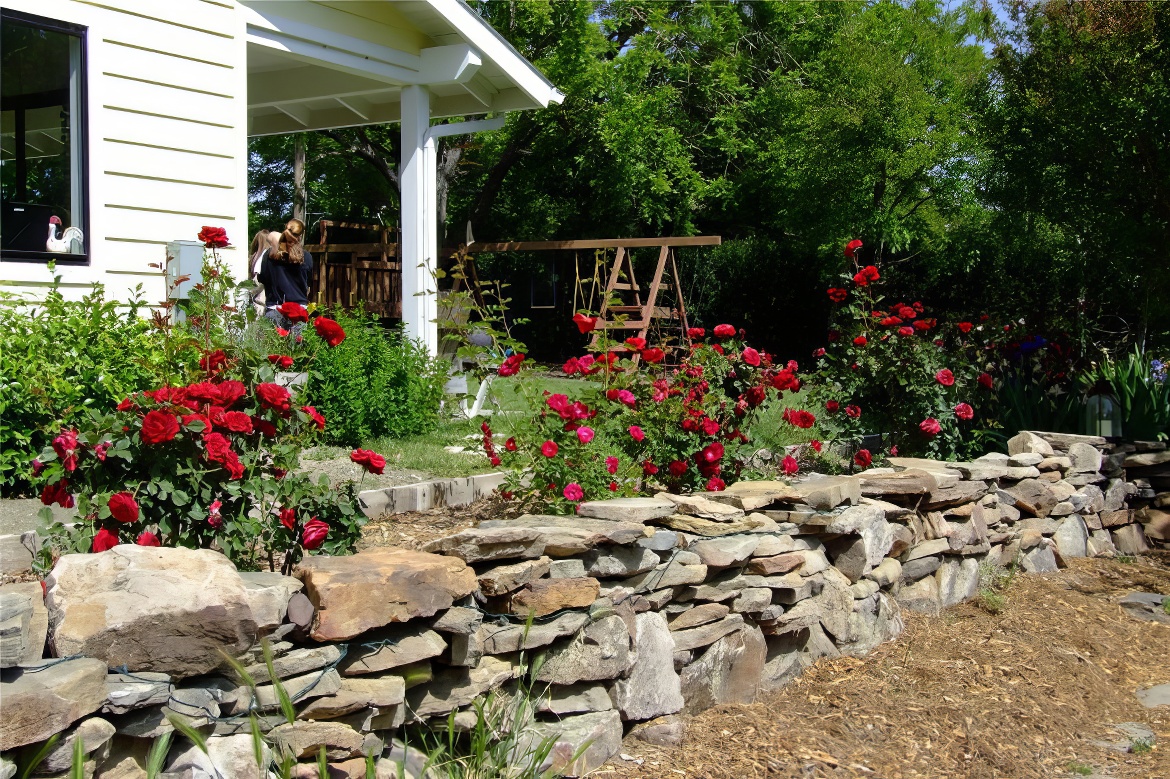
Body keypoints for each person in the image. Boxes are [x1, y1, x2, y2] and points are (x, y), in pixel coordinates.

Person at [258, 218, 314, 329]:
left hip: (275, 309)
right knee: (297, 345)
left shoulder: (270, 255)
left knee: (272, 346)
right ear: (301, 236)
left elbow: (263, 278)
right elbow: (309, 283)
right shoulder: (307, 257)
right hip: (299, 313)